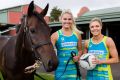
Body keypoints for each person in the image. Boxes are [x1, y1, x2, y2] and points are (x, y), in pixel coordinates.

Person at [51, 9, 82, 80]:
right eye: (65, 19)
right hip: (60, 70)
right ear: (61, 19)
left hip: (74, 70)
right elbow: (49, 52)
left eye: (69, 19)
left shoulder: (77, 34)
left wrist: (78, 56)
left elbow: (80, 50)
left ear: (72, 21)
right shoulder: (55, 35)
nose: (67, 21)